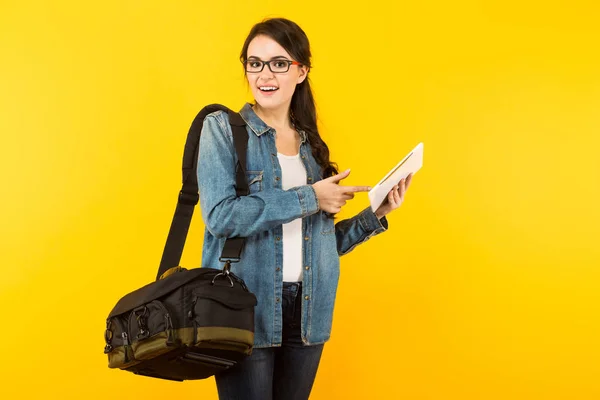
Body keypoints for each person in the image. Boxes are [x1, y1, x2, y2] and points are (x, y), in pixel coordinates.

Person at [196, 17, 414, 400]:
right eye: (255, 62)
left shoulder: (310, 143)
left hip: (310, 310)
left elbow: (317, 243)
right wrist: (311, 197)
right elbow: (221, 216)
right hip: (246, 307)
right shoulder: (223, 129)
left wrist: (374, 215)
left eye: (279, 63)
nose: (265, 74)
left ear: (302, 71)